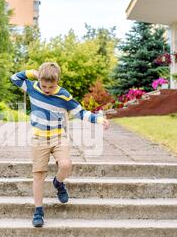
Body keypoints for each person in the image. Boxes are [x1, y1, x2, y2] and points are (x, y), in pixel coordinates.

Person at [10, 62, 110, 227]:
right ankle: (38, 211)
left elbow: (81, 112)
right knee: (38, 175)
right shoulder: (32, 87)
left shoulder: (64, 95)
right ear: (39, 81)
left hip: (58, 137)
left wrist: (99, 119)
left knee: (65, 164)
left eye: (51, 85)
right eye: (44, 85)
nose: (47, 89)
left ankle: (58, 182)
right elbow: (14, 78)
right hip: (39, 139)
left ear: (57, 81)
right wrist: (33, 73)